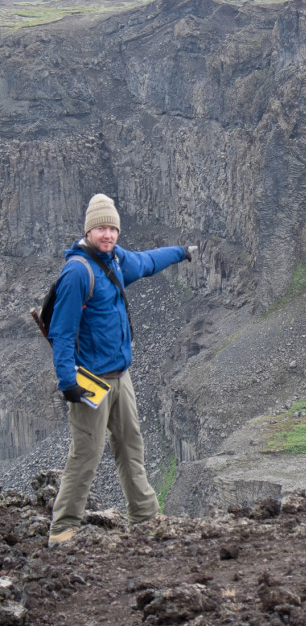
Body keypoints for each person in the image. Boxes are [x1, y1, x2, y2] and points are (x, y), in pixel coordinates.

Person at [47, 193, 196, 547]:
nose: (108, 234)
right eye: (101, 228)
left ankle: (145, 518)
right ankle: (63, 529)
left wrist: (181, 251)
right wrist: (68, 382)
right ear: (89, 231)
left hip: (120, 377)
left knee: (131, 446)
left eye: (113, 228)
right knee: (87, 451)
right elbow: (62, 332)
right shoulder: (77, 273)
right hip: (90, 383)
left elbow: (146, 262)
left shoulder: (116, 261)